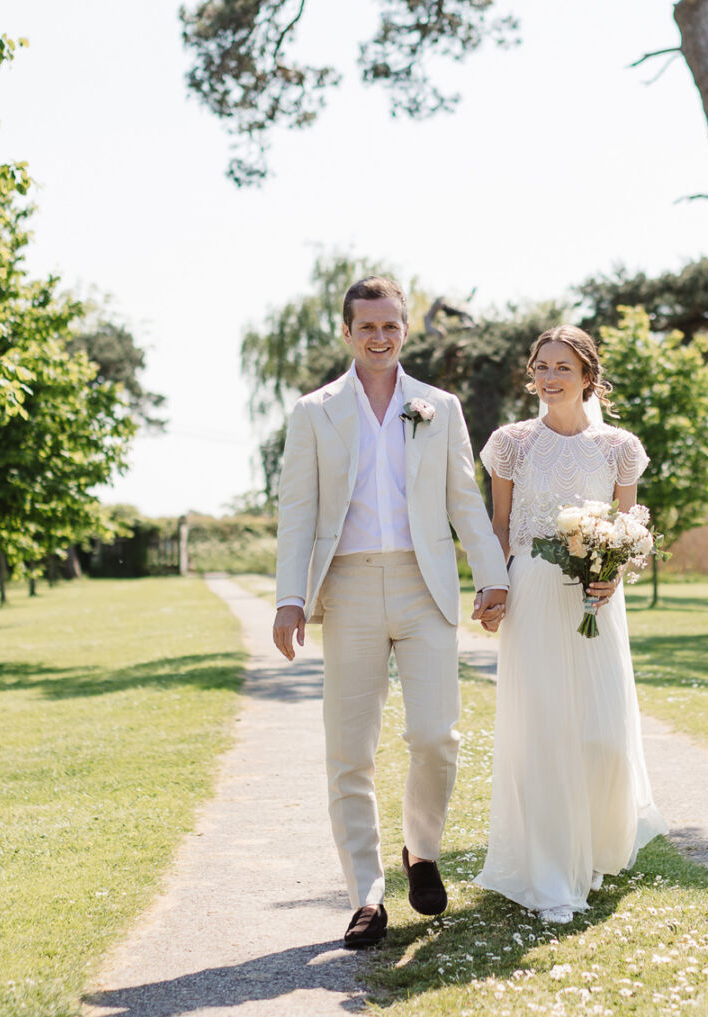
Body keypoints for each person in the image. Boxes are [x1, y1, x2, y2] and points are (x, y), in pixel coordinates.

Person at [271, 276, 510, 949]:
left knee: (437, 735)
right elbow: (297, 513)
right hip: (345, 588)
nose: (379, 337)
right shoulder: (313, 412)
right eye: (366, 326)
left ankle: (421, 850)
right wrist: (291, 598)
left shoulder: (440, 406)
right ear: (347, 332)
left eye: (390, 325)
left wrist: (493, 575)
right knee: (350, 750)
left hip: (424, 584)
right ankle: (366, 896)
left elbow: (465, 500)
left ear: (405, 329)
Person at [471, 325, 667, 922]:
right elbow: (498, 525)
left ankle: (598, 847)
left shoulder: (619, 449)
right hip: (531, 591)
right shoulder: (511, 444)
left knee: (604, 738)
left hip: (597, 601)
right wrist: (492, 586)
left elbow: (633, 530)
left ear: (587, 376)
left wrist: (618, 571)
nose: (549, 377)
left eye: (562, 367)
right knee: (544, 733)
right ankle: (551, 876)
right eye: (541, 366)